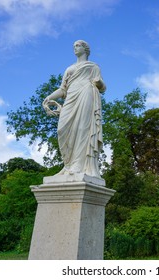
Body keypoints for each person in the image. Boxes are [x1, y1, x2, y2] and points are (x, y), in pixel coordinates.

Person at [42, 40, 106, 178]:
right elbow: (62, 89)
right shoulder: (69, 68)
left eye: (78, 46)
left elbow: (103, 87)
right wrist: (48, 97)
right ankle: (68, 164)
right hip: (71, 97)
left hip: (86, 93)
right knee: (62, 129)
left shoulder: (93, 67)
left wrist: (98, 83)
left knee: (83, 128)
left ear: (85, 49)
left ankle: (79, 165)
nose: (75, 48)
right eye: (74, 46)